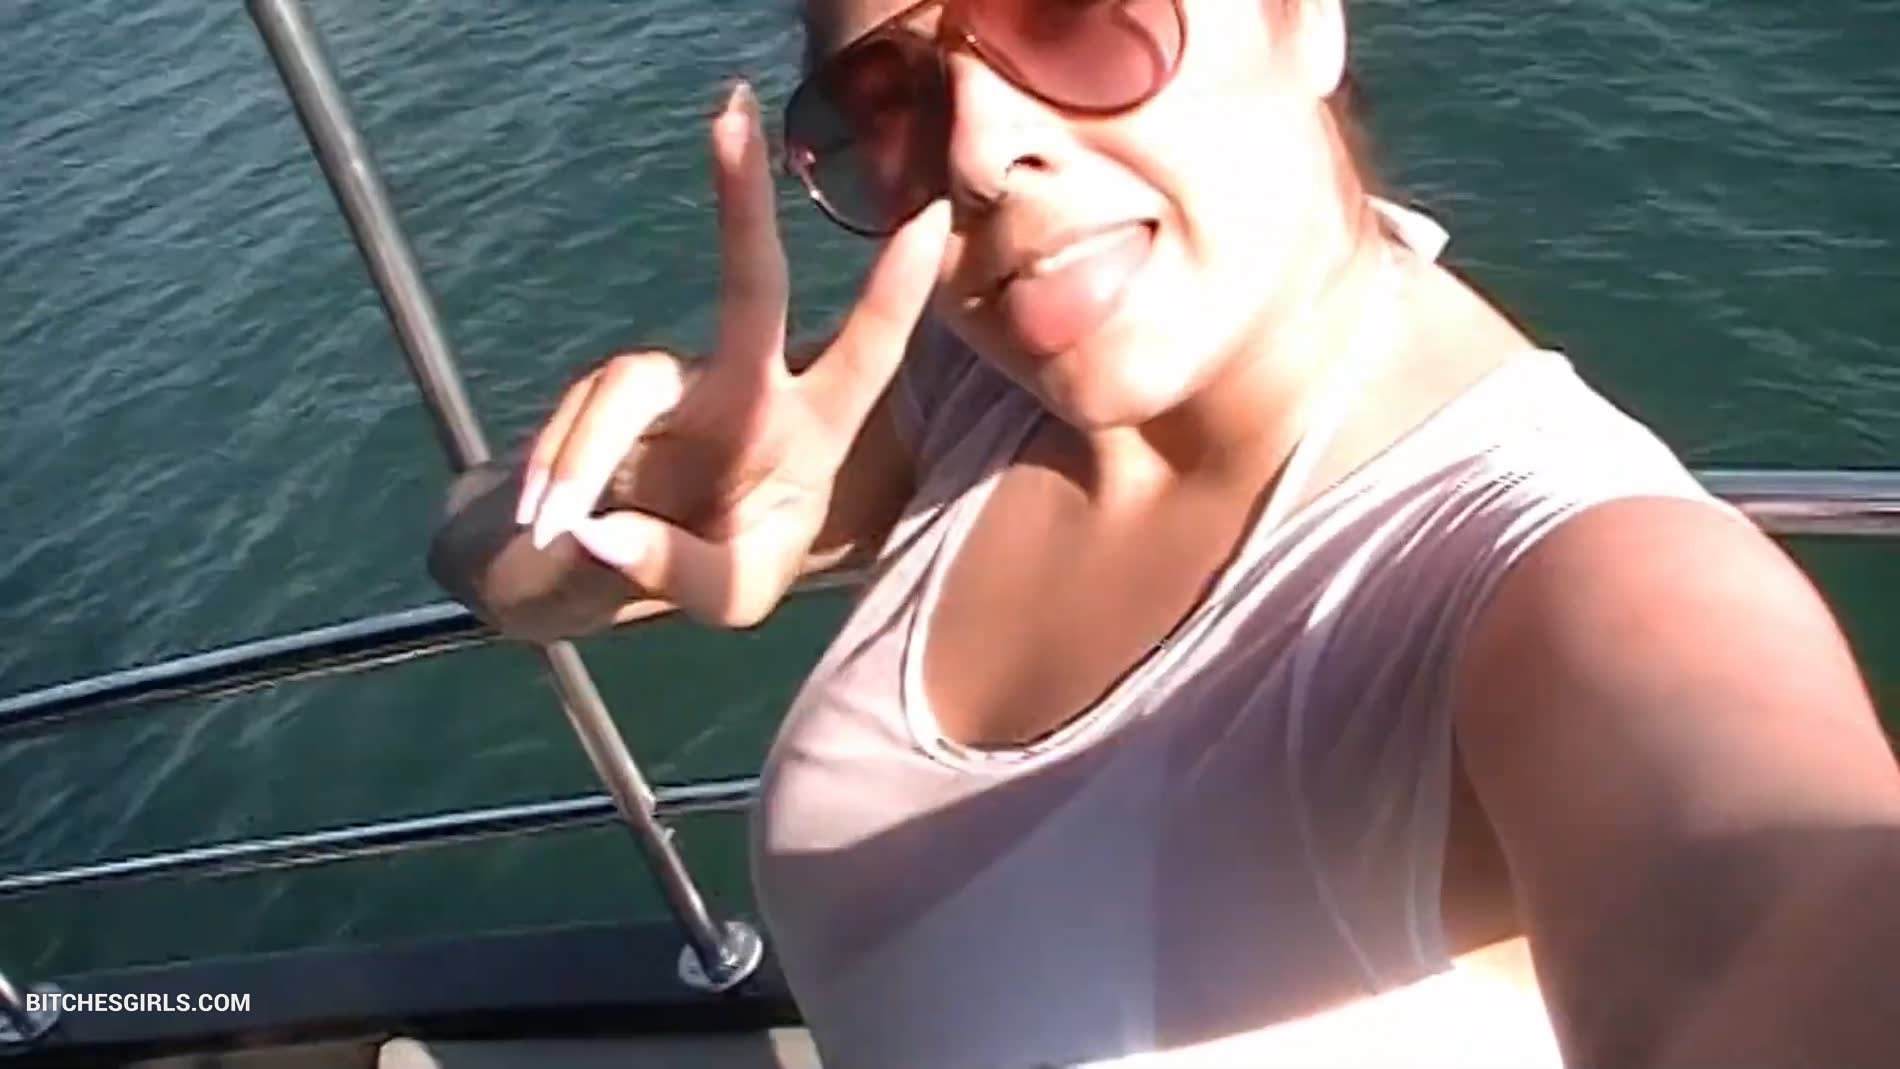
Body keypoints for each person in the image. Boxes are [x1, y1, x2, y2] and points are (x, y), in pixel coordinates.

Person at [427, 0, 1900, 1065]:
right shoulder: (964, 388)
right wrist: (615, 506)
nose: (980, 154)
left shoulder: (1559, 577)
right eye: (891, 104)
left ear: (1303, 22)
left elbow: (1765, 907)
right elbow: (475, 554)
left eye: (1070, 18)